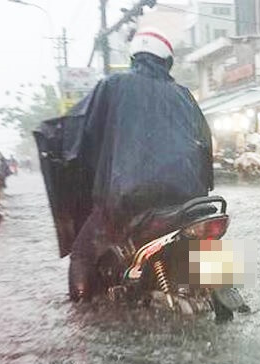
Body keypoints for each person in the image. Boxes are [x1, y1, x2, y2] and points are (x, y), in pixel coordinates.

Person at [35, 27, 214, 301]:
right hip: (188, 202)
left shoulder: (112, 85)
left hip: (127, 200)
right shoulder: (185, 95)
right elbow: (205, 146)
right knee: (212, 252)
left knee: (81, 253)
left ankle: (82, 318)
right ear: (167, 61)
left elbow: (82, 131)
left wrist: (50, 134)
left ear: (134, 57)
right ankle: (225, 287)